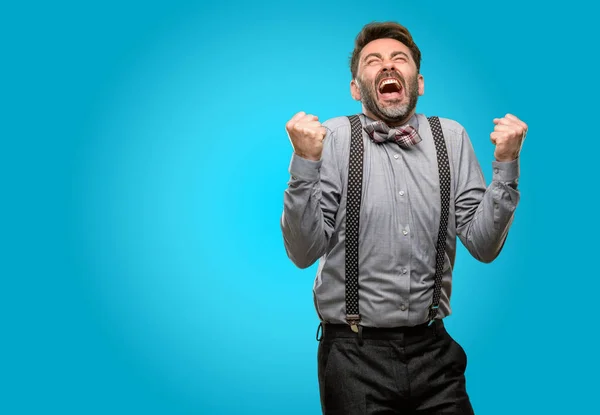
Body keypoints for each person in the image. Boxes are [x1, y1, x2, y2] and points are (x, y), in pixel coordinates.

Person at [280, 21, 527, 414]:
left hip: (434, 351)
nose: (388, 66)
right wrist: (305, 163)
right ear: (356, 88)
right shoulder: (334, 138)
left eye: (400, 59)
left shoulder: (452, 137)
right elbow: (302, 251)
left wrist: (506, 165)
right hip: (352, 355)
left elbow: (483, 245)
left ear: (420, 81)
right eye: (373, 61)